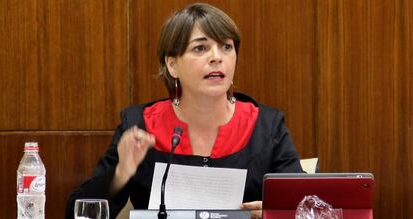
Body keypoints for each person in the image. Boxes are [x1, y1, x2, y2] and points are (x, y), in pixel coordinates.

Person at [66, 3, 303, 219]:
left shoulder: (266, 126)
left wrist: (272, 214)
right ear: (172, 65)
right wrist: (120, 174)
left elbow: (307, 208)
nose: (217, 58)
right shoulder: (141, 125)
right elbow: (79, 212)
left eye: (226, 47)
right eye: (200, 48)